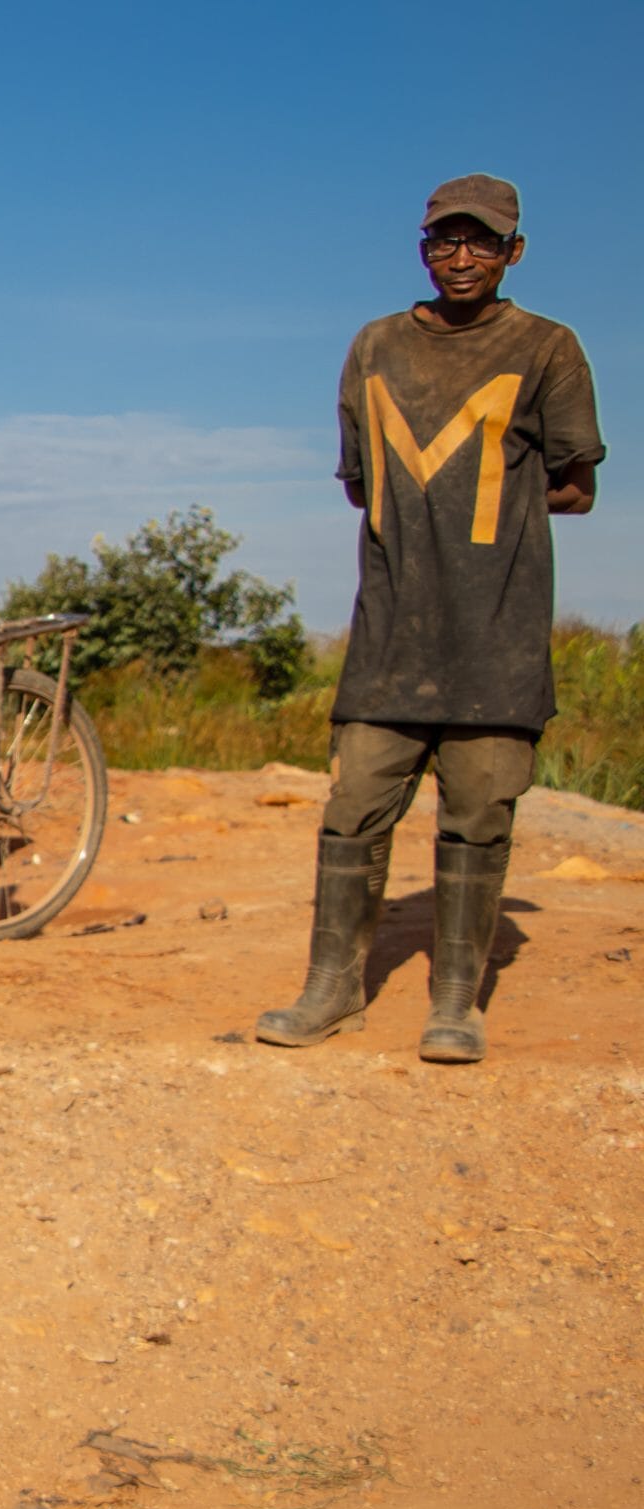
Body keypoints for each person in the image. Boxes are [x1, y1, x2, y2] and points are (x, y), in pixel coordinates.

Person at [257, 175, 603, 1064]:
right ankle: (332, 988)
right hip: (391, 637)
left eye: (481, 243)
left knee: (479, 816)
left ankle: (456, 1002)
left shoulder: (548, 348)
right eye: (443, 242)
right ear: (422, 249)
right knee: (354, 809)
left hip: (499, 635)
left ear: (513, 252)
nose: (460, 258)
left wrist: (486, 529)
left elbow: (575, 487)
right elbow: (361, 484)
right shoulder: (374, 347)